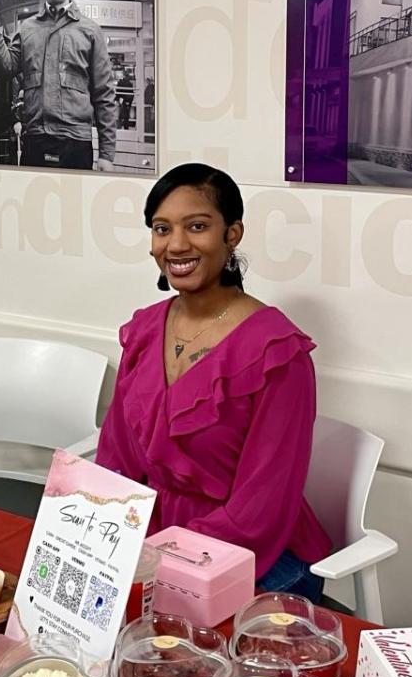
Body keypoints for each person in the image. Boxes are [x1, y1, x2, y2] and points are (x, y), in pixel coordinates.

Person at [94, 162, 333, 601]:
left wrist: (163, 558)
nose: (177, 244)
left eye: (197, 226)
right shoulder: (146, 330)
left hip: (253, 556)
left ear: (233, 234)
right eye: (162, 229)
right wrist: (99, 538)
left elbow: (262, 506)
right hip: (152, 541)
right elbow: (117, 460)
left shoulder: (277, 352)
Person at [0, 0, 116, 171]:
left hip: (76, 142)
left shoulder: (90, 31)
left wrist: (106, 154)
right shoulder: (27, 28)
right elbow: (7, 67)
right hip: (35, 140)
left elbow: (104, 95)